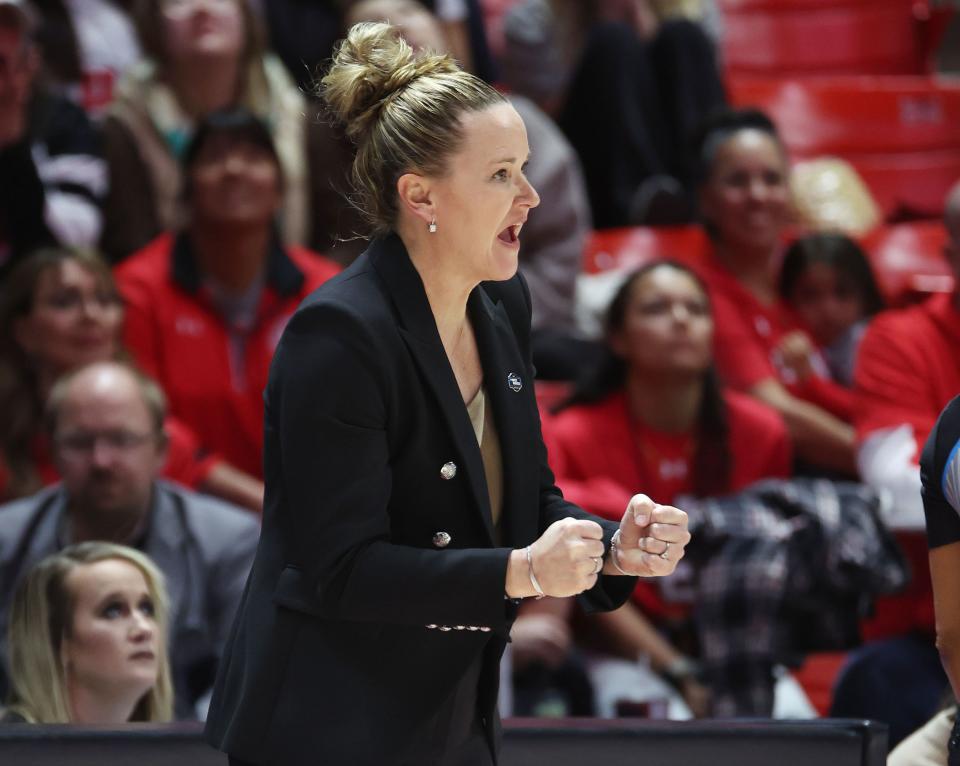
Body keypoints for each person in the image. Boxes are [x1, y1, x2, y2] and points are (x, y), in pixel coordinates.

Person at [204, 22, 689, 766]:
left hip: (450, 719)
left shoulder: (502, 304)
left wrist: (614, 551)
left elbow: (524, 498)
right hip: (324, 724)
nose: (529, 195)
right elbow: (340, 570)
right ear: (420, 195)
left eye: (523, 169)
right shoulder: (338, 334)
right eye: (501, 174)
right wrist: (523, 572)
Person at [546, 261, 791, 716]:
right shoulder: (571, 434)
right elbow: (583, 576)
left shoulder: (761, 431)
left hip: (737, 638)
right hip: (620, 647)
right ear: (618, 339)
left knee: (796, 725)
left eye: (696, 309)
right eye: (657, 308)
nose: (681, 319)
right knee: (650, 712)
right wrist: (676, 668)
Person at [0, 361, 260, 718]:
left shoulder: (230, 542)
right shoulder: (6, 540)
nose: (101, 461)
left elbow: (244, 686)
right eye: (80, 442)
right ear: (52, 449)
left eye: (122, 439)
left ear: (162, 449)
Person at [115, 109, 340, 480]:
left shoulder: (326, 290)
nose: (234, 169)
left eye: (253, 157)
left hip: (306, 502)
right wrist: (254, 504)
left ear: (281, 191)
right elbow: (140, 424)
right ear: (186, 189)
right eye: (214, 157)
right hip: (178, 508)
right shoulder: (137, 290)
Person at [0, 246, 264, 511]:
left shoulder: (153, 430)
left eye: (104, 300)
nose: (90, 315)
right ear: (23, 330)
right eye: (65, 302)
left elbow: (264, 505)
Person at [99, 0, 361, 263]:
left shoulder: (304, 119)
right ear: (153, 22)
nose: (202, 8)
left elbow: (344, 239)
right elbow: (130, 250)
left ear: (246, 16)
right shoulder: (123, 126)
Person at [694, 107, 857, 476]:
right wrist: (886, 460)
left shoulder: (812, 272)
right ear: (706, 199)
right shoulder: (702, 295)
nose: (758, 195)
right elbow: (778, 412)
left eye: (772, 179)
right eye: (737, 181)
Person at [500, 0, 726, 226]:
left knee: (684, 35)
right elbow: (537, 123)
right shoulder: (532, 20)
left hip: (674, 157)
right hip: (593, 169)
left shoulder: (697, 9)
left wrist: (641, 23)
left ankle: (705, 196)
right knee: (614, 42)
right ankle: (638, 201)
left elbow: (700, 93)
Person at [1, 541, 173, 723]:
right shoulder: (10, 747)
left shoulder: (178, 747)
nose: (144, 629)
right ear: (57, 641)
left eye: (146, 609)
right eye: (113, 611)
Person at [0, 0, 105, 278]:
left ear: (30, 63)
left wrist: (12, 147)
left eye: (3, 62)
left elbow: (74, 242)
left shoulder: (63, 121)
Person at [779, 232, 886, 387]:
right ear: (787, 299)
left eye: (842, 293)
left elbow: (869, 409)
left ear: (866, 296)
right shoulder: (785, 344)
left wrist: (810, 381)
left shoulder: (875, 343)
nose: (828, 310)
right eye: (810, 296)